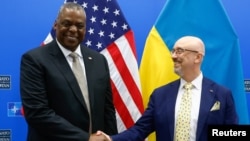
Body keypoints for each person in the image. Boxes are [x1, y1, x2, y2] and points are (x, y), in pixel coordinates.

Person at [95, 36, 238, 141]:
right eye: (173, 51)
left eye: (180, 51)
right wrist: (110, 139)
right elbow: (140, 130)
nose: (173, 56)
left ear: (198, 57)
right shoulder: (160, 95)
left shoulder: (222, 95)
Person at [20, 2, 117, 141]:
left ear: (85, 29)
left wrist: (110, 138)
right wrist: (86, 138)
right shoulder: (34, 60)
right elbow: (37, 113)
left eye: (79, 26)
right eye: (66, 23)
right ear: (56, 24)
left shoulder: (99, 60)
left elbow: (107, 110)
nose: (73, 29)